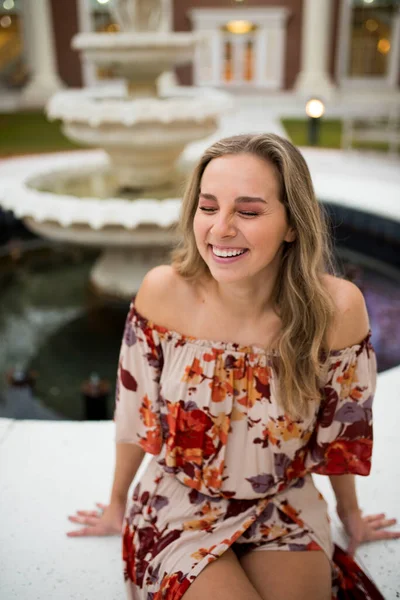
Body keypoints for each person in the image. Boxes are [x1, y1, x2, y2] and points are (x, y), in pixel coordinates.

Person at [67, 133, 399, 600]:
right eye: (208, 207)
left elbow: (339, 436)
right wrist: (116, 503)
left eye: (248, 211)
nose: (220, 229)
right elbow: (136, 415)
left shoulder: (337, 310)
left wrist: (352, 516)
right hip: (178, 501)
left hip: (282, 501)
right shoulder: (163, 293)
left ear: (291, 224)